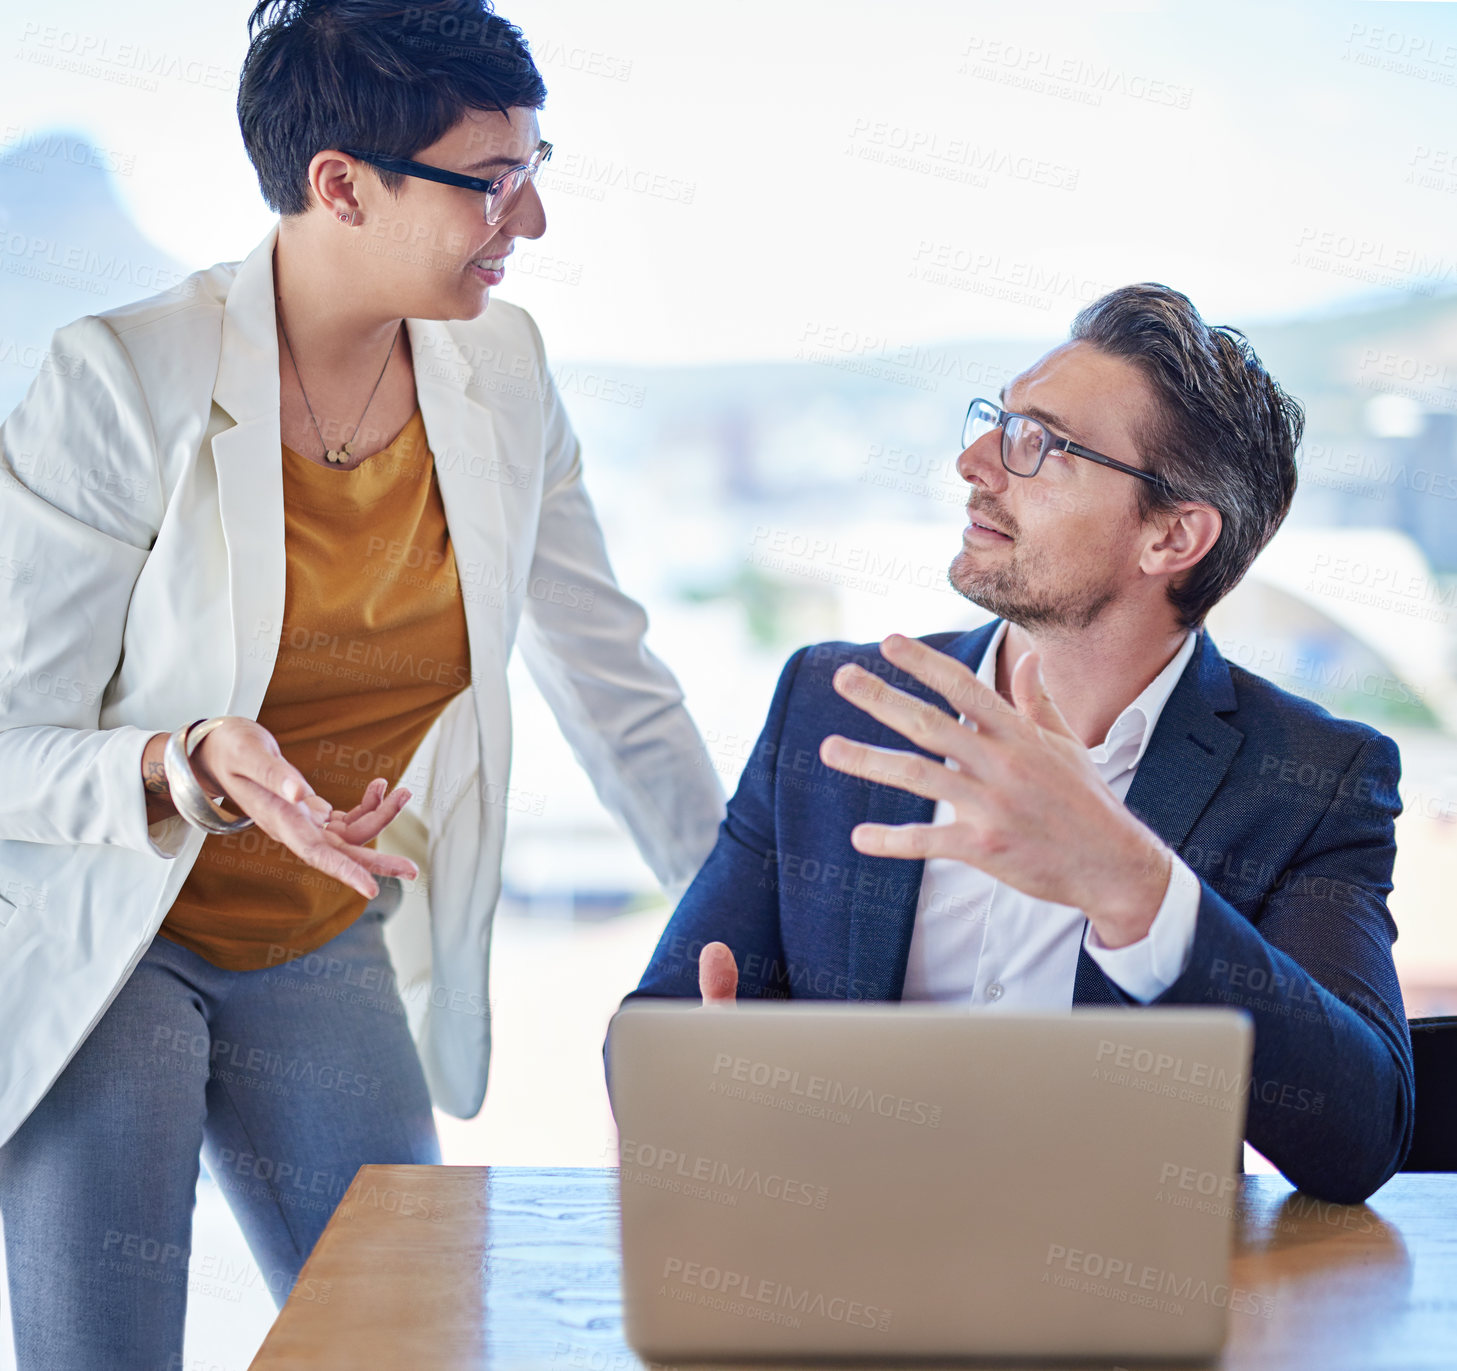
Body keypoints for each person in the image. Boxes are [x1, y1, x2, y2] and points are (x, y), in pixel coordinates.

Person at [0, 1, 723, 1366]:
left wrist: (763, 925)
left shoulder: (501, 372)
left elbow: (611, 680)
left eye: (536, 168)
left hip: (317, 930)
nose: (531, 224)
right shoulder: (119, 378)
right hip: (109, 934)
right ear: (340, 183)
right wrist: (185, 761)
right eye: (491, 183)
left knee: (413, 1338)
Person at [621, 283, 1412, 1207]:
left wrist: (1131, 883)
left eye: (1040, 443)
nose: (973, 461)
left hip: (1119, 1310)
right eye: (998, 421)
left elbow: (1361, 1135)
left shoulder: (1312, 778)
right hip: (833, 1279)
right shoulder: (835, 705)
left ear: (1171, 535)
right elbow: (652, 1042)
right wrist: (711, 1089)